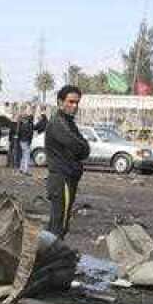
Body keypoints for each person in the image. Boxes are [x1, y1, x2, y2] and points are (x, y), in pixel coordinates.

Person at [44, 85, 89, 238]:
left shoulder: (68, 122)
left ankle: (48, 256)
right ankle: (49, 258)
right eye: (70, 102)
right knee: (58, 225)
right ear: (60, 102)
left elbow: (84, 148)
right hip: (61, 178)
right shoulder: (58, 123)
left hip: (67, 178)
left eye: (77, 102)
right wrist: (82, 147)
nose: (74, 106)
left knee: (60, 223)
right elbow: (79, 147)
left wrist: (82, 147)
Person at [15, 105, 47, 175]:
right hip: (26, 141)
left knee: (23, 155)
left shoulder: (21, 124)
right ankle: (25, 170)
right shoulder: (29, 125)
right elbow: (30, 134)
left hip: (22, 141)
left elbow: (19, 132)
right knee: (26, 156)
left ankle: (21, 168)